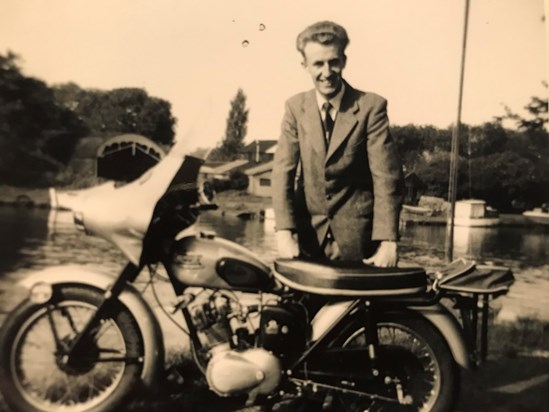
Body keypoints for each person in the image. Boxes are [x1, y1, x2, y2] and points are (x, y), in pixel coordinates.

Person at [271, 21, 404, 267]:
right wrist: (284, 231)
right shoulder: (295, 108)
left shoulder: (371, 107)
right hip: (308, 240)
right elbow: (282, 172)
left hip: (359, 241)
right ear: (305, 66)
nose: (327, 72)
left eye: (333, 62)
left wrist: (388, 241)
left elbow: (386, 177)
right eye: (318, 64)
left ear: (344, 61)